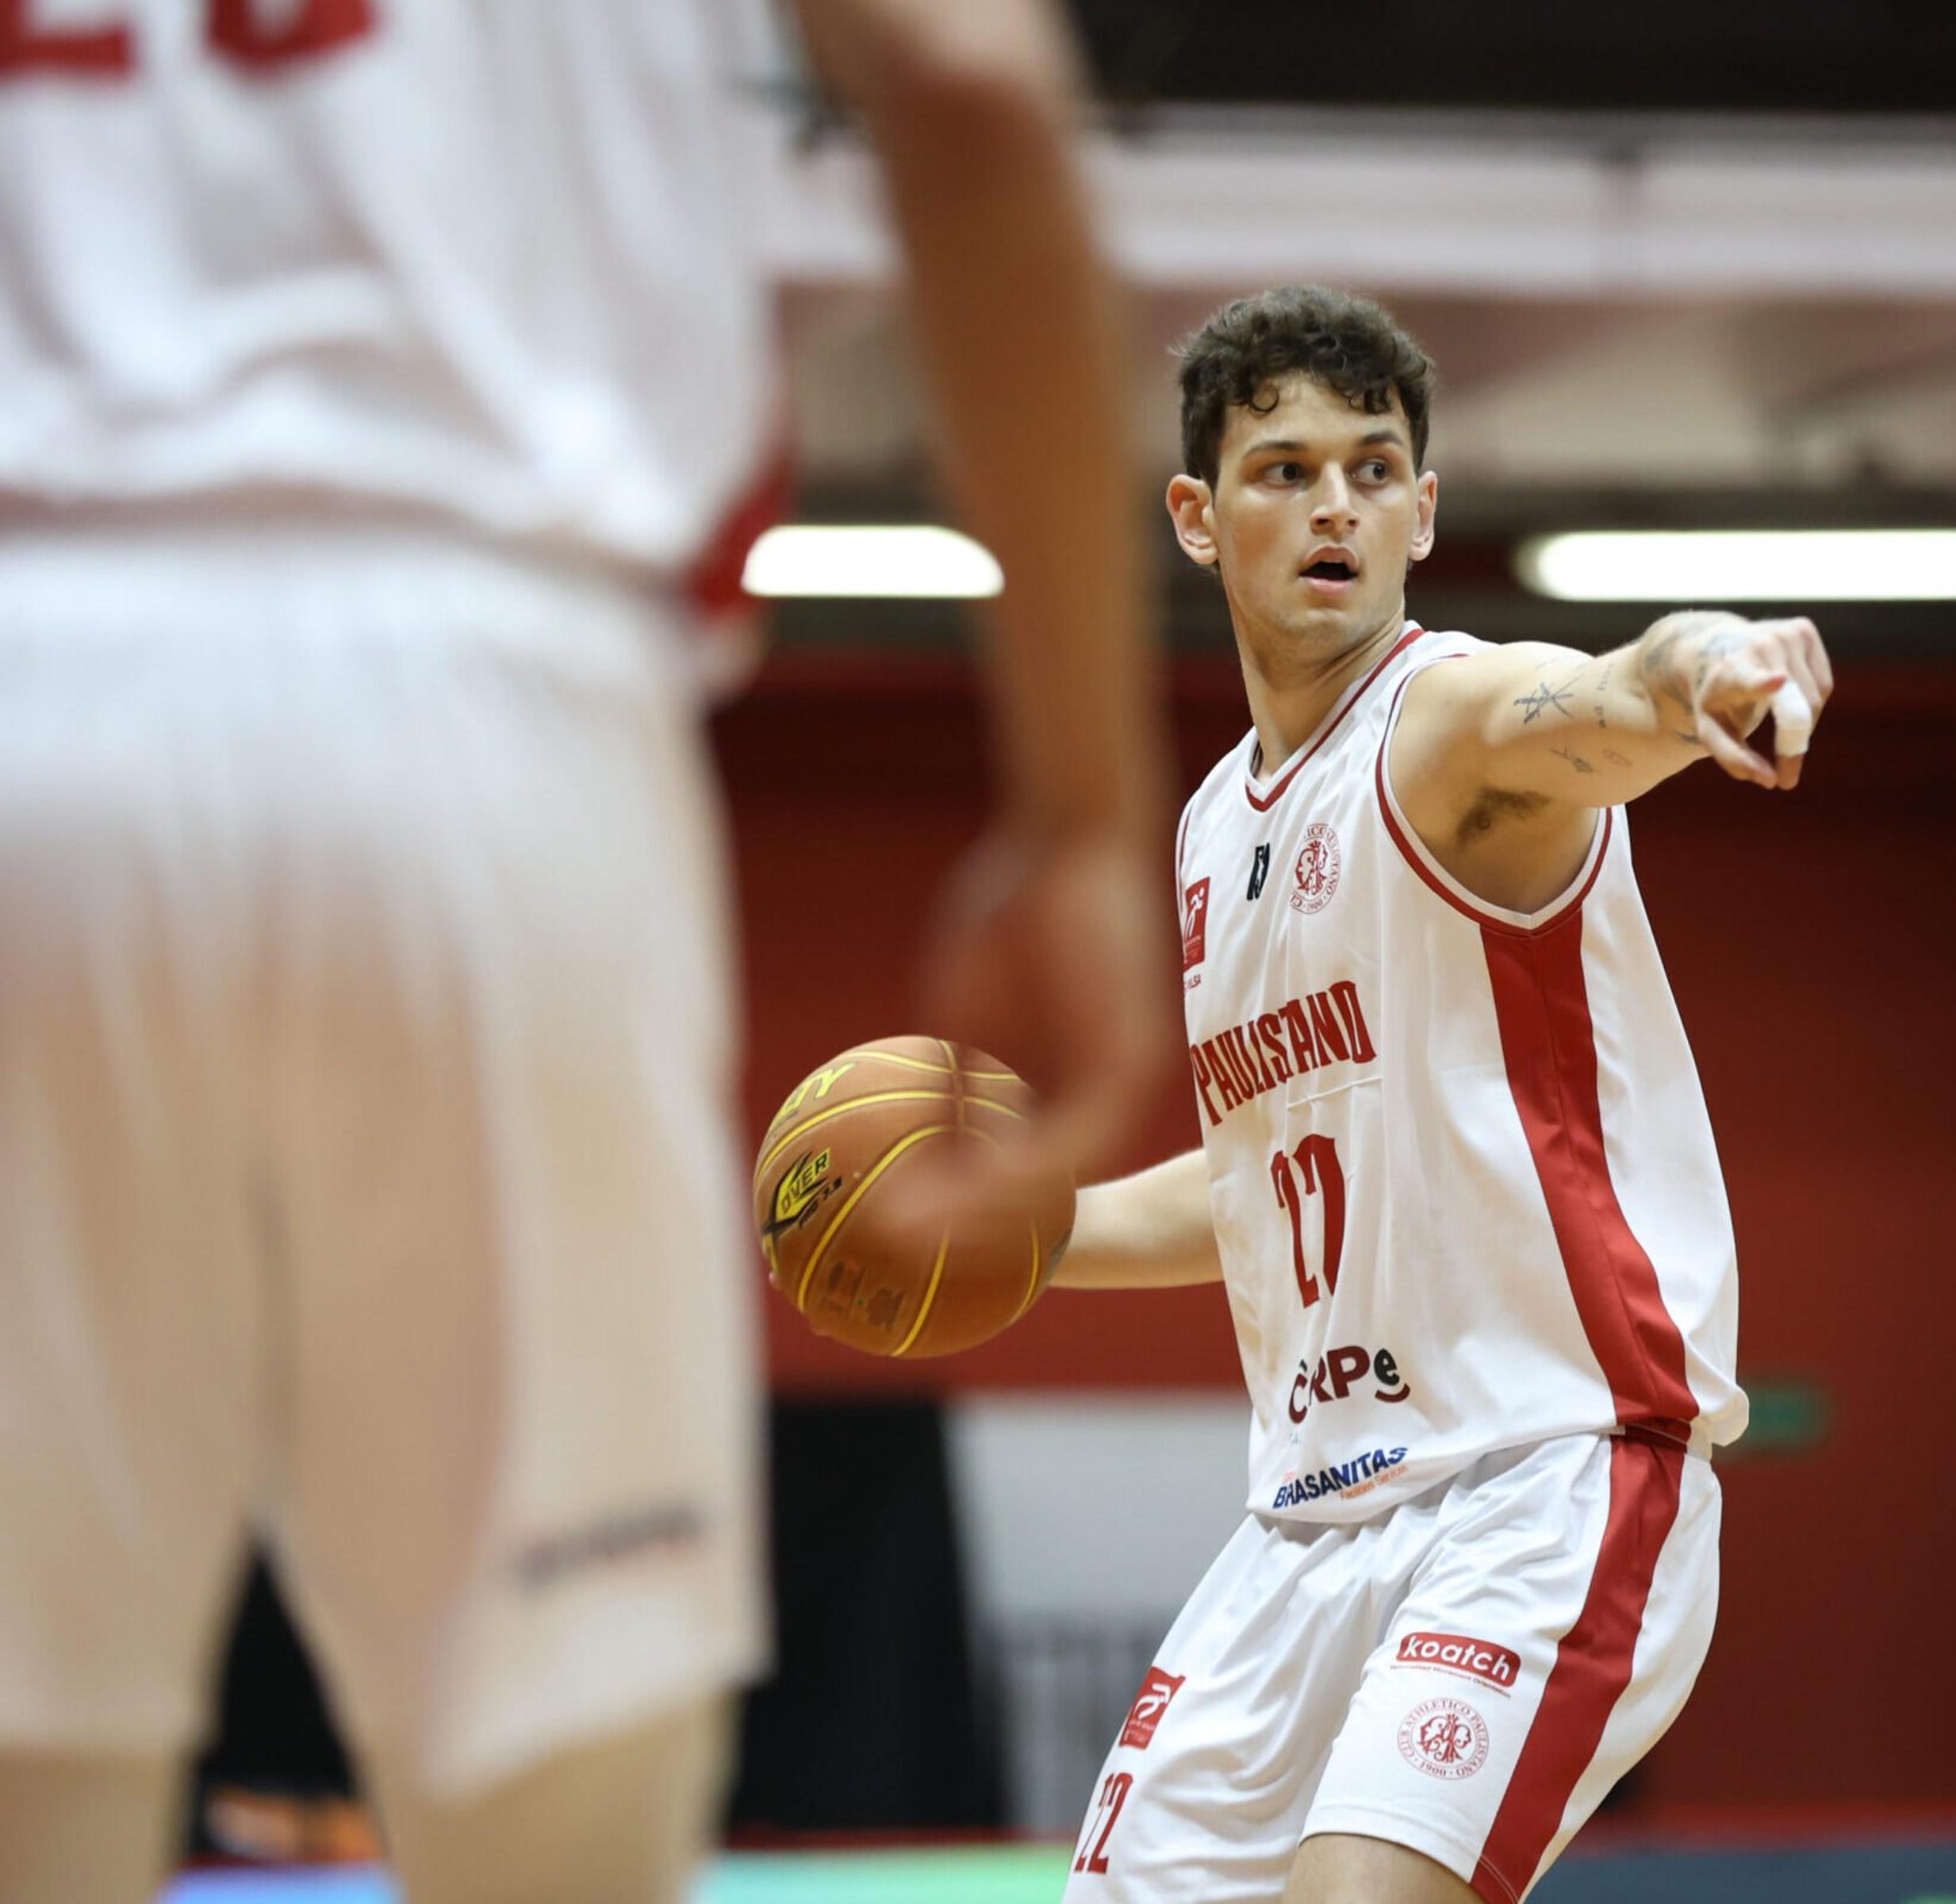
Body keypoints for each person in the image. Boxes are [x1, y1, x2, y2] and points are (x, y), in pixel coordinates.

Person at [0, 4, 1168, 1902]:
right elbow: (969, 82)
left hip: (24, 677)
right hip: (493, 693)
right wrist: (1080, 811)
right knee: (553, 1825)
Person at [1041, 284, 1832, 1903]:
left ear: (1421, 507)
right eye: (1282, 470)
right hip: (1306, 1529)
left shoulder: (1449, 732)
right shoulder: (1213, 831)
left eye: (1372, 466)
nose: (1334, 502)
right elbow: (1267, 1174)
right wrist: (1022, 1230)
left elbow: (1610, 692)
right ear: (1197, 517)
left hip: (1540, 1479)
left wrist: (1707, 672)